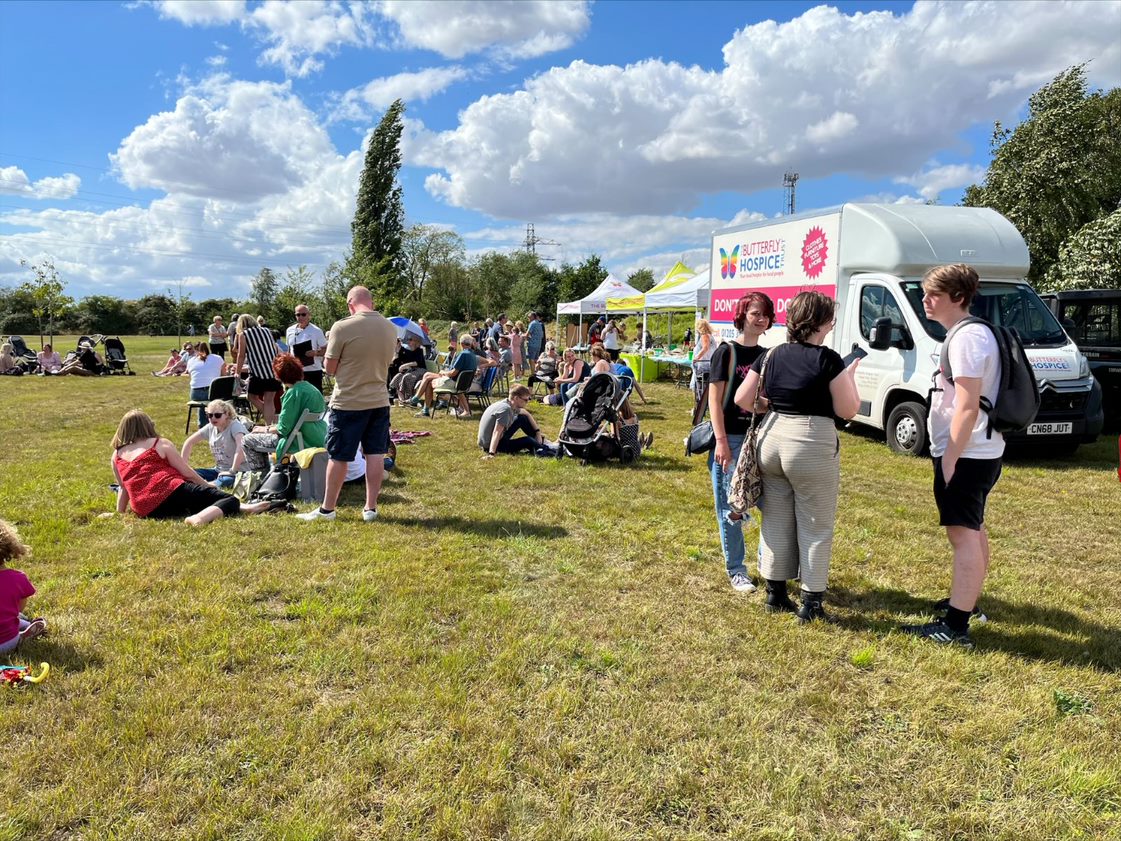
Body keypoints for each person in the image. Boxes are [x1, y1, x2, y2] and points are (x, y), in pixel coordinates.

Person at [734, 291, 861, 622]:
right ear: (820, 322)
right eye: (831, 320)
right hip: (810, 441)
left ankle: (775, 593)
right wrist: (850, 377)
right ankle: (811, 602)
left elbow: (743, 398)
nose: (832, 325)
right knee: (816, 523)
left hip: (772, 437)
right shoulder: (828, 359)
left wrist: (771, 405)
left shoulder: (772, 353)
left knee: (775, 518)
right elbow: (847, 409)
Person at [900, 264, 1005, 648]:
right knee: (972, 528)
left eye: (934, 295)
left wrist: (950, 458)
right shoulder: (968, 333)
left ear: (958, 298)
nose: (925, 300)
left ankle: (956, 627)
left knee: (962, 535)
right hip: (976, 450)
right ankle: (968, 604)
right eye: (925, 293)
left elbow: (967, 405)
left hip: (968, 453)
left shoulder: (967, 338)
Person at [297, 286, 396, 523]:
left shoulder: (342, 327)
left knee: (339, 456)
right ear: (371, 303)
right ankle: (370, 508)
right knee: (375, 454)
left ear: (350, 304)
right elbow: (387, 361)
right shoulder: (389, 327)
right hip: (379, 400)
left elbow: (330, 368)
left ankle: (327, 509)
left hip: (348, 401)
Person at [708, 293, 773, 594]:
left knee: (769, 503)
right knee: (732, 507)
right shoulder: (726, 352)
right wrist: (721, 442)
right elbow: (714, 401)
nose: (761, 319)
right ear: (742, 315)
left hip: (760, 437)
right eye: (755, 313)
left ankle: (766, 563)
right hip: (731, 438)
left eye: (766, 314)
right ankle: (736, 570)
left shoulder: (768, 356)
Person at [111, 409, 280, 525]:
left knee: (203, 501)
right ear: (149, 425)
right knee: (230, 499)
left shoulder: (116, 455)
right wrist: (207, 485)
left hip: (145, 510)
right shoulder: (158, 444)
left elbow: (123, 488)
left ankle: (244, 508)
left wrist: (120, 513)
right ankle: (199, 519)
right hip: (171, 491)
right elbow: (187, 473)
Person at [242, 354, 327, 473]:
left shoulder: (293, 393)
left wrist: (264, 429)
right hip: (317, 436)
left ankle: (261, 476)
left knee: (247, 440)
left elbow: (284, 429)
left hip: (299, 439)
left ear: (278, 375)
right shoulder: (312, 388)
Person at [0, 519, 47, 654]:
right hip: (8, 642)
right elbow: (19, 608)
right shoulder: (17, 578)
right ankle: (25, 631)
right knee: (12, 616)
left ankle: (25, 628)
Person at [411, 335, 479, 418]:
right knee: (427, 375)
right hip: (462, 383)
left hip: (453, 382)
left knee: (429, 381)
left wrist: (444, 373)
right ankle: (418, 400)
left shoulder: (463, 354)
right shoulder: (472, 354)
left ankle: (421, 405)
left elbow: (453, 373)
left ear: (461, 343)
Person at [479, 385, 556, 457]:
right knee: (528, 440)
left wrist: (537, 433)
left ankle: (541, 442)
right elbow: (496, 432)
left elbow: (526, 413)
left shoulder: (509, 404)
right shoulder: (506, 410)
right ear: (516, 398)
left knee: (522, 418)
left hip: (489, 442)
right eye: (525, 400)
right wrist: (491, 453)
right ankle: (542, 448)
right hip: (492, 445)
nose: (527, 402)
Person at [180, 399, 248, 481]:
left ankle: (209, 484)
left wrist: (232, 471)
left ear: (227, 414)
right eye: (210, 415)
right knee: (190, 475)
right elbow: (189, 442)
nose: (213, 418)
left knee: (225, 481)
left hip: (239, 471)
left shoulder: (235, 426)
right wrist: (183, 468)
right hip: (218, 470)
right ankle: (206, 483)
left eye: (217, 415)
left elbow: (241, 448)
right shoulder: (210, 427)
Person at [234, 313, 280, 424]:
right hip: (273, 370)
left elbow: (241, 355)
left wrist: (237, 372)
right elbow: (274, 348)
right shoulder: (267, 331)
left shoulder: (243, 335)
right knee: (269, 400)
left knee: (251, 397)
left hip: (258, 371)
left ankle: (271, 419)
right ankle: (271, 421)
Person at [285, 304, 328, 393]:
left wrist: (315, 352)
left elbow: (326, 349)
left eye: (303, 314)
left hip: (313, 371)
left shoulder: (316, 331)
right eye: (298, 315)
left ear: (309, 315)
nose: (300, 317)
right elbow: (289, 349)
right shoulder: (289, 330)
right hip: (296, 371)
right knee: (296, 397)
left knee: (314, 397)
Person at [186, 341, 225, 428]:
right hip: (214, 392)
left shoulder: (191, 361)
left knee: (202, 403)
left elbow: (191, 377)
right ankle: (217, 422)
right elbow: (223, 376)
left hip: (196, 393)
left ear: (196, 350)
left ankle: (202, 424)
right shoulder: (218, 358)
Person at [389, 334, 427, 404]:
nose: (408, 341)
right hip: (411, 371)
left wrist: (404, 365)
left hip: (420, 370)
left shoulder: (419, 350)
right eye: (408, 340)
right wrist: (397, 350)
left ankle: (409, 398)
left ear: (416, 341)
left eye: (410, 340)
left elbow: (417, 363)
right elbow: (396, 359)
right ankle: (402, 399)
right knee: (398, 376)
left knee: (407, 377)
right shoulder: (408, 351)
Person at [692, 319, 716, 405]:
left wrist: (696, 357)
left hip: (704, 366)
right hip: (708, 365)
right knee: (705, 387)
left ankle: (699, 406)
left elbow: (705, 347)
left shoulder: (704, 336)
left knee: (700, 387)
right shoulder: (710, 336)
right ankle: (703, 404)